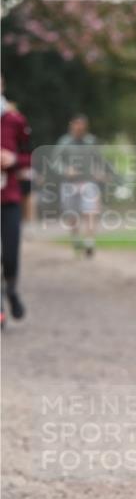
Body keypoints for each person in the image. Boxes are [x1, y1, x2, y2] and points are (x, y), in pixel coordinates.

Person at [1, 76, 32, 325]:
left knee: (10, 254)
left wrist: (13, 160)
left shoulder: (15, 121)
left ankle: (11, 290)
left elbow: (30, 155)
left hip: (8, 197)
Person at [53, 114, 104, 257]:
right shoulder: (64, 142)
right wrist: (65, 170)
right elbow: (55, 162)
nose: (79, 128)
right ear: (72, 126)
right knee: (72, 214)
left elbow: (99, 159)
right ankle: (76, 240)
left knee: (90, 212)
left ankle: (89, 242)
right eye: (77, 125)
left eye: (82, 126)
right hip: (70, 184)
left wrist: (98, 171)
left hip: (88, 182)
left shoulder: (91, 141)